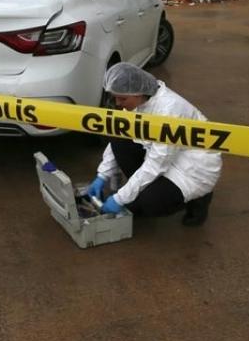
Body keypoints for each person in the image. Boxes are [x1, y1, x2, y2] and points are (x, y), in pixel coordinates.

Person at [85, 63, 222, 226]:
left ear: (138, 92)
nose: (118, 103)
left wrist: (119, 198)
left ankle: (199, 198)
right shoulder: (137, 101)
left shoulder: (170, 112)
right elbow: (119, 137)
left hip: (195, 167)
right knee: (119, 138)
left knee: (149, 203)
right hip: (167, 155)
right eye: (115, 97)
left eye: (122, 98)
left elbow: (157, 163)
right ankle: (143, 193)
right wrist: (102, 175)